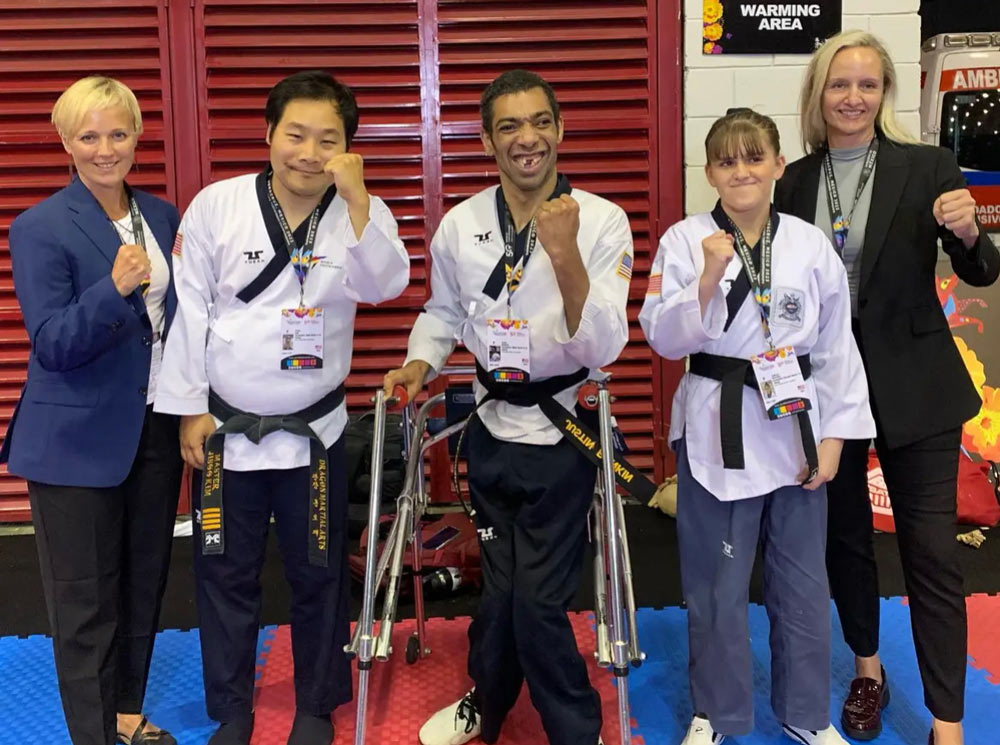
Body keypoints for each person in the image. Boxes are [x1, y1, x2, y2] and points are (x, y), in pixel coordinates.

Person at [153, 70, 409, 745]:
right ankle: (232, 707)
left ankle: (316, 704)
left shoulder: (362, 211)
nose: (308, 152)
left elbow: (386, 283)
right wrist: (187, 407)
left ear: (347, 149)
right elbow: (189, 307)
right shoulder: (218, 205)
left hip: (315, 432)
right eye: (295, 134)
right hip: (226, 429)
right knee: (223, 570)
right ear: (269, 135)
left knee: (318, 569)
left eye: (328, 140)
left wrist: (357, 200)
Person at [384, 69, 634, 745]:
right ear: (489, 139)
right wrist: (419, 362)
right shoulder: (462, 226)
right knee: (498, 594)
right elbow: (441, 313)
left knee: (537, 601)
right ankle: (487, 705)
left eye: (540, 122)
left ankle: (573, 725)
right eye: (510, 126)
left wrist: (564, 251)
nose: (528, 138)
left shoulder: (603, 219)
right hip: (489, 430)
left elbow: (606, 338)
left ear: (560, 129)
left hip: (563, 433)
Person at [774, 31, 1000, 745]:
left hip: (917, 386)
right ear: (819, 94)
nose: (854, 97)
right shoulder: (796, 181)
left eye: (868, 85)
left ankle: (948, 719)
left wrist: (967, 233)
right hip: (827, 392)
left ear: (884, 94)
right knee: (846, 542)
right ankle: (868, 670)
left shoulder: (928, 165)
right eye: (840, 84)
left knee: (931, 551)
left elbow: (982, 271)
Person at [640, 108, 876, 745]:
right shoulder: (684, 241)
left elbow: (834, 348)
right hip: (716, 428)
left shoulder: (807, 242)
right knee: (715, 587)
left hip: (794, 424)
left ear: (777, 164)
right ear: (710, 172)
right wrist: (710, 277)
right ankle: (718, 713)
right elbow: (661, 336)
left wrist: (834, 440)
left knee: (802, 584)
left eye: (753, 157)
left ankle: (805, 715)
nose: (740, 170)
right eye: (725, 160)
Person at [0, 76, 183, 745]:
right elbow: (53, 342)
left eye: (118, 132)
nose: (105, 149)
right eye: (89, 136)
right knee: (84, 603)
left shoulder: (163, 216)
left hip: (156, 429)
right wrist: (113, 289)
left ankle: (127, 713)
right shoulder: (40, 226)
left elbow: (178, 325)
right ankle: (93, 736)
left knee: (143, 585)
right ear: (66, 142)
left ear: (137, 135)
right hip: (73, 440)